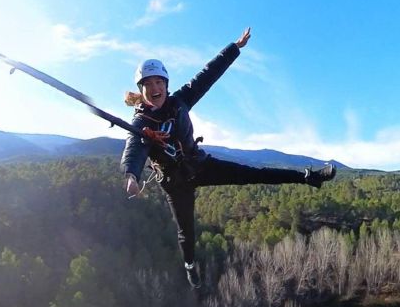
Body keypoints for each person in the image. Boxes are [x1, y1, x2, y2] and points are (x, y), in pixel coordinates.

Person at [120, 28, 336, 289]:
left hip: (199, 165)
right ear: (141, 89)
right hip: (175, 183)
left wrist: (235, 48)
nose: (156, 88)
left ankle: (309, 177)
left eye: (159, 82)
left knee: (253, 173)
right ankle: (190, 267)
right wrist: (131, 174)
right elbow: (135, 148)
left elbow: (208, 75)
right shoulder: (142, 123)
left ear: (166, 84)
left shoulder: (180, 101)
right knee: (186, 232)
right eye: (149, 84)